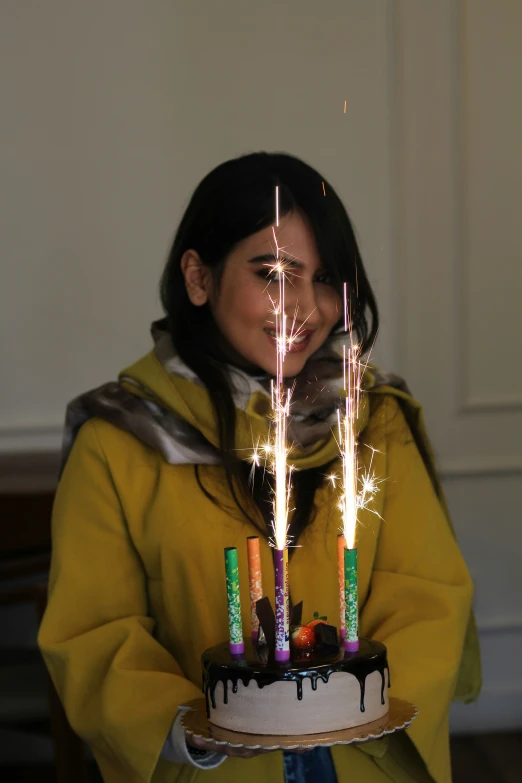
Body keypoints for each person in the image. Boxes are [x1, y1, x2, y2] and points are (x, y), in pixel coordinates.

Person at [38, 152, 481, 783]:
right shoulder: (120, 439)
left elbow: (428, 593)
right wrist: (195, 728)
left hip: (363, 757)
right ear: (198, 277)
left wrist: (338, 707)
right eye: (274, 274)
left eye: (324, 278)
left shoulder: (372, 419)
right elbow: (95, 633)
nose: (305, 307)